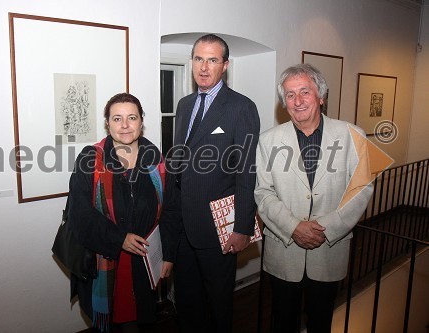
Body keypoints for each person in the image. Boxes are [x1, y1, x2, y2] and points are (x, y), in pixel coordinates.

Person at [254, 64, 374, 333]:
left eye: (304, 92)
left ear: (321, 96)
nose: (297, 101)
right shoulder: (268, 140)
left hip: (329, 250)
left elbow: (361, 188)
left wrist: (325, 228)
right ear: (284, 102)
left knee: (321, 323)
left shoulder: (353, 135)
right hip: (284, 252)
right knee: (283, 322)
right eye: (290, 95)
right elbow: (263, 191)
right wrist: (294, 227)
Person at [67, 93, 181, 333]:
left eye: (132, 117)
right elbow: (80, 215)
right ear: (107, 123)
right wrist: (120, 238)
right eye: (117, 118)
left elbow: (171, 209)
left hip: (145, 260)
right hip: (105, 260)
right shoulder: (90, 158)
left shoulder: (157, 160)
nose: (125, 125)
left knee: (138, 321)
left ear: (141, 122)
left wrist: (169, 255)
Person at [170, 34, 260, 333]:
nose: (204, 67)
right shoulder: (184, 105)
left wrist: (243, 227)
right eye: (198, 59)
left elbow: (246, 172)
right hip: (183, 227)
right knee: (187, 302)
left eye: (212, 60)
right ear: (192, 62)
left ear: (225, 65)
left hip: (218, 229)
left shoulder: (241, 107)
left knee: (218, 304)